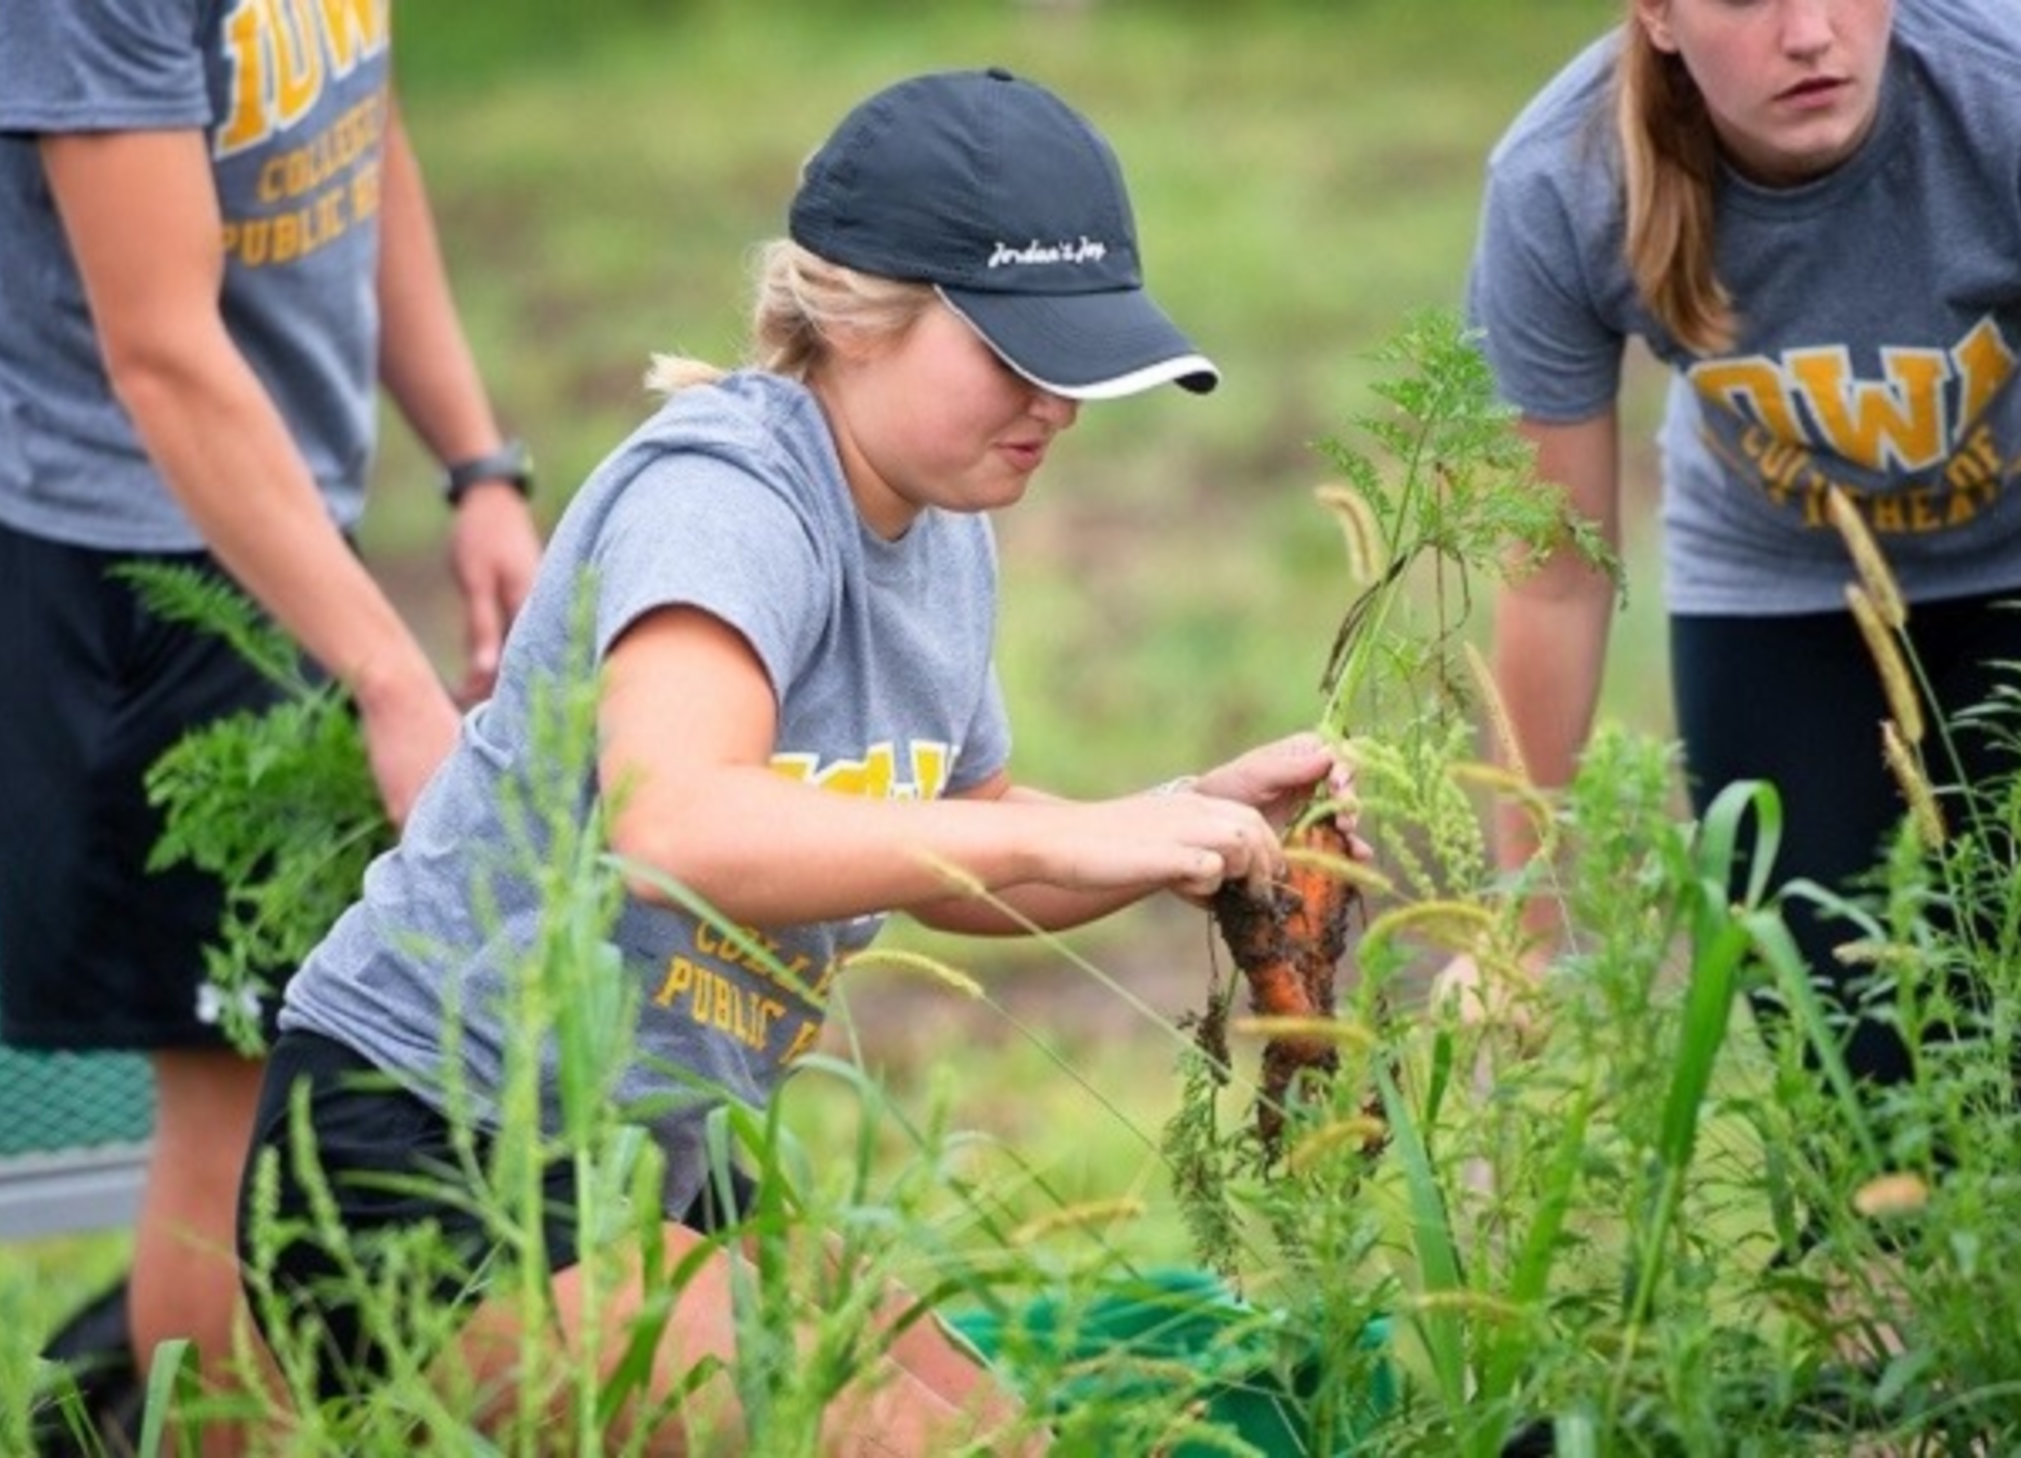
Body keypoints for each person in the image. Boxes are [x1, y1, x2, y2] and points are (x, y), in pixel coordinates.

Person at [240, 67, 1352, 1452]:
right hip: (430, 1142)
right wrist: (1066, 836)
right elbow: (677, 825)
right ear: (857, 315)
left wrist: (1174, 825)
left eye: (1083, 363)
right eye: (1018, 354)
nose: (1058, 406)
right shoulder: (725, 496)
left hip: (658, 1155)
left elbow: (959, 833)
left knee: (998, 1427)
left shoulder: (948, 527)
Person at [0, 0, 545, 1445]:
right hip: (119, 553)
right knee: (238, 1096)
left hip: (264, 525)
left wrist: (479, 461)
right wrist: (390, 677)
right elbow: (160, 352)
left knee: (301, 1065)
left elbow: (349, 122)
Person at [1457, 0, 2021, 1109]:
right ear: (1658, 15)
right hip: (1783, 591)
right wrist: (1524, 933)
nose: (1811, 33)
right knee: (1849, 1091)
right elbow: (1554, 576)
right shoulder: (1561, 183)